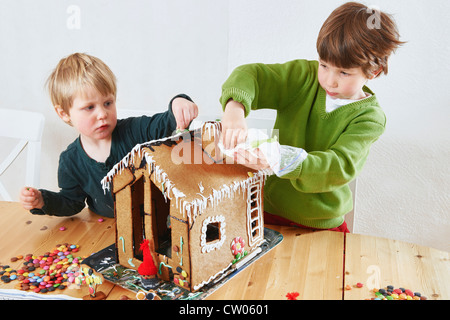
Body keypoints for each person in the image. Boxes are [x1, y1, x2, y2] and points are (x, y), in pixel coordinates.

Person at [219, 2, 404, 232]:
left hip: (322, 223)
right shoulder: (303, 77)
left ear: (373, 72)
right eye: (324, 65)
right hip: (269, 212)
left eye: (344, 72)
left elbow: (339, 167)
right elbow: (251, 75)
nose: (329, 80)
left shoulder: (369, 118)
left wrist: (280, 159)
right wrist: (235, 108)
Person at [19, 53, 198, 218]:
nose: (102, 114)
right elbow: (71, 202)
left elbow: (164, 124)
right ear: (64, 113)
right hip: (106, 229)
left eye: (107, 103)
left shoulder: (134, 131)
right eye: (90, 107)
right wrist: (43, 200)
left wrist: (178, 102)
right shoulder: (70, 161)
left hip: (157, 222)